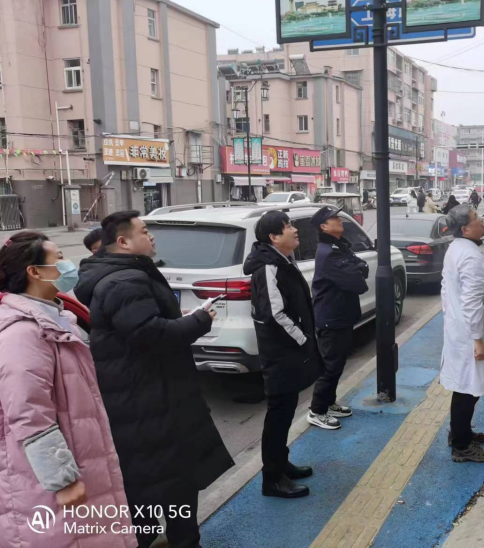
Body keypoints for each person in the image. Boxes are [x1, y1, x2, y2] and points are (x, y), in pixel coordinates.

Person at [75, 211, 233, 548]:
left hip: (148, 394)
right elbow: (151, 334)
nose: (152, 237)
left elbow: (143, 326)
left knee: (157, 483)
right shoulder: (124, 281)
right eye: (145, 231)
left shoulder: (124, 275)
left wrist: (180, 318)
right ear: (123, 241)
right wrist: (199, 321)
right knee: (165, 485)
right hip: (149, 398)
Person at [0, 232, 136, 548]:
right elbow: (29, 412)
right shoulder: (23, 333)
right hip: (48, 482)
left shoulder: (57, 318)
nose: (68, 264)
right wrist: (62, 479)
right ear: (34, 272)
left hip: (82, 460)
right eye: (59, 257)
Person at [243, 211, 322, 498]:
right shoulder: (268, 267)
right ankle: (273, 479)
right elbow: (274, 314)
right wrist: (303, 339)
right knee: (278, 416)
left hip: (287, 353)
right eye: (288, 226)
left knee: (285, 412)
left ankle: (281, 463)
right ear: (274, 237)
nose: (295, 230)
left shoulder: (282, 260)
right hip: (280, 355)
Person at [440, 204, 484, 463]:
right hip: (470, 333)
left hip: (459, 328)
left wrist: (451, 317)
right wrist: (477, 339)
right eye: (476, 218)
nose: (481, 220)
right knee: (467, 388)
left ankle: (459, 432)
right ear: (465, 229)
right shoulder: (470, 256)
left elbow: (446, 289)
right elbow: (473, 301)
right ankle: (461, 445)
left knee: (465, 385)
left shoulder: (457, 249)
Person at [308, 206, 369, 430]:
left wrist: (358, 268)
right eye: (334, 218)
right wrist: (358, 270)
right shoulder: (330, 252)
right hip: (331, 317)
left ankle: (328, 402)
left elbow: (362, 268)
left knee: (338, 363)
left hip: (340, 314)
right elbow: (357, 282)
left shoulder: (339, 246)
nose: (339, 219)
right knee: (331, 366)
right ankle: (317, 410)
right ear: (324, 227)